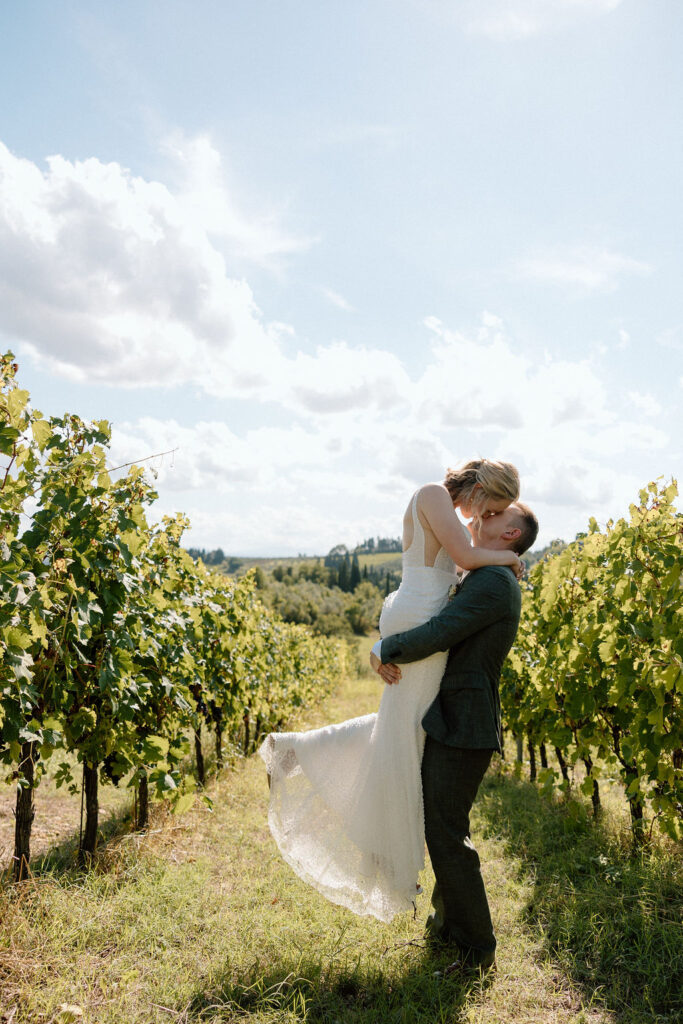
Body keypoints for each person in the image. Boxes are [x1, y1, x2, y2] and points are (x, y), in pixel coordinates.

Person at [259, 458, 523, 923]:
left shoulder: (450, 511)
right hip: (420, 616)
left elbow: (460, 563)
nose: (483, 518)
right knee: (403, 737)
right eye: (491, 506)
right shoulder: (433, 495)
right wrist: (508, 556)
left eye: (494, 513)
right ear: (481, 486)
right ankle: (386, 856)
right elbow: (463, 560)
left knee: (401, 730)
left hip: (419, 612)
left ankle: (306, 759)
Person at [371, 501, 539, 970]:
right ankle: (448, 928)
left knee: (446, 832)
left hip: (466, 721)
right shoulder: (489, 574)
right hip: (454, 715)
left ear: (510, 536)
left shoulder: (493, 582)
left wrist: (386, 649)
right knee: (443, 827)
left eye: (498, 517)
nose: (484, 517)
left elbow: (443, 630)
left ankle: (476, 949)